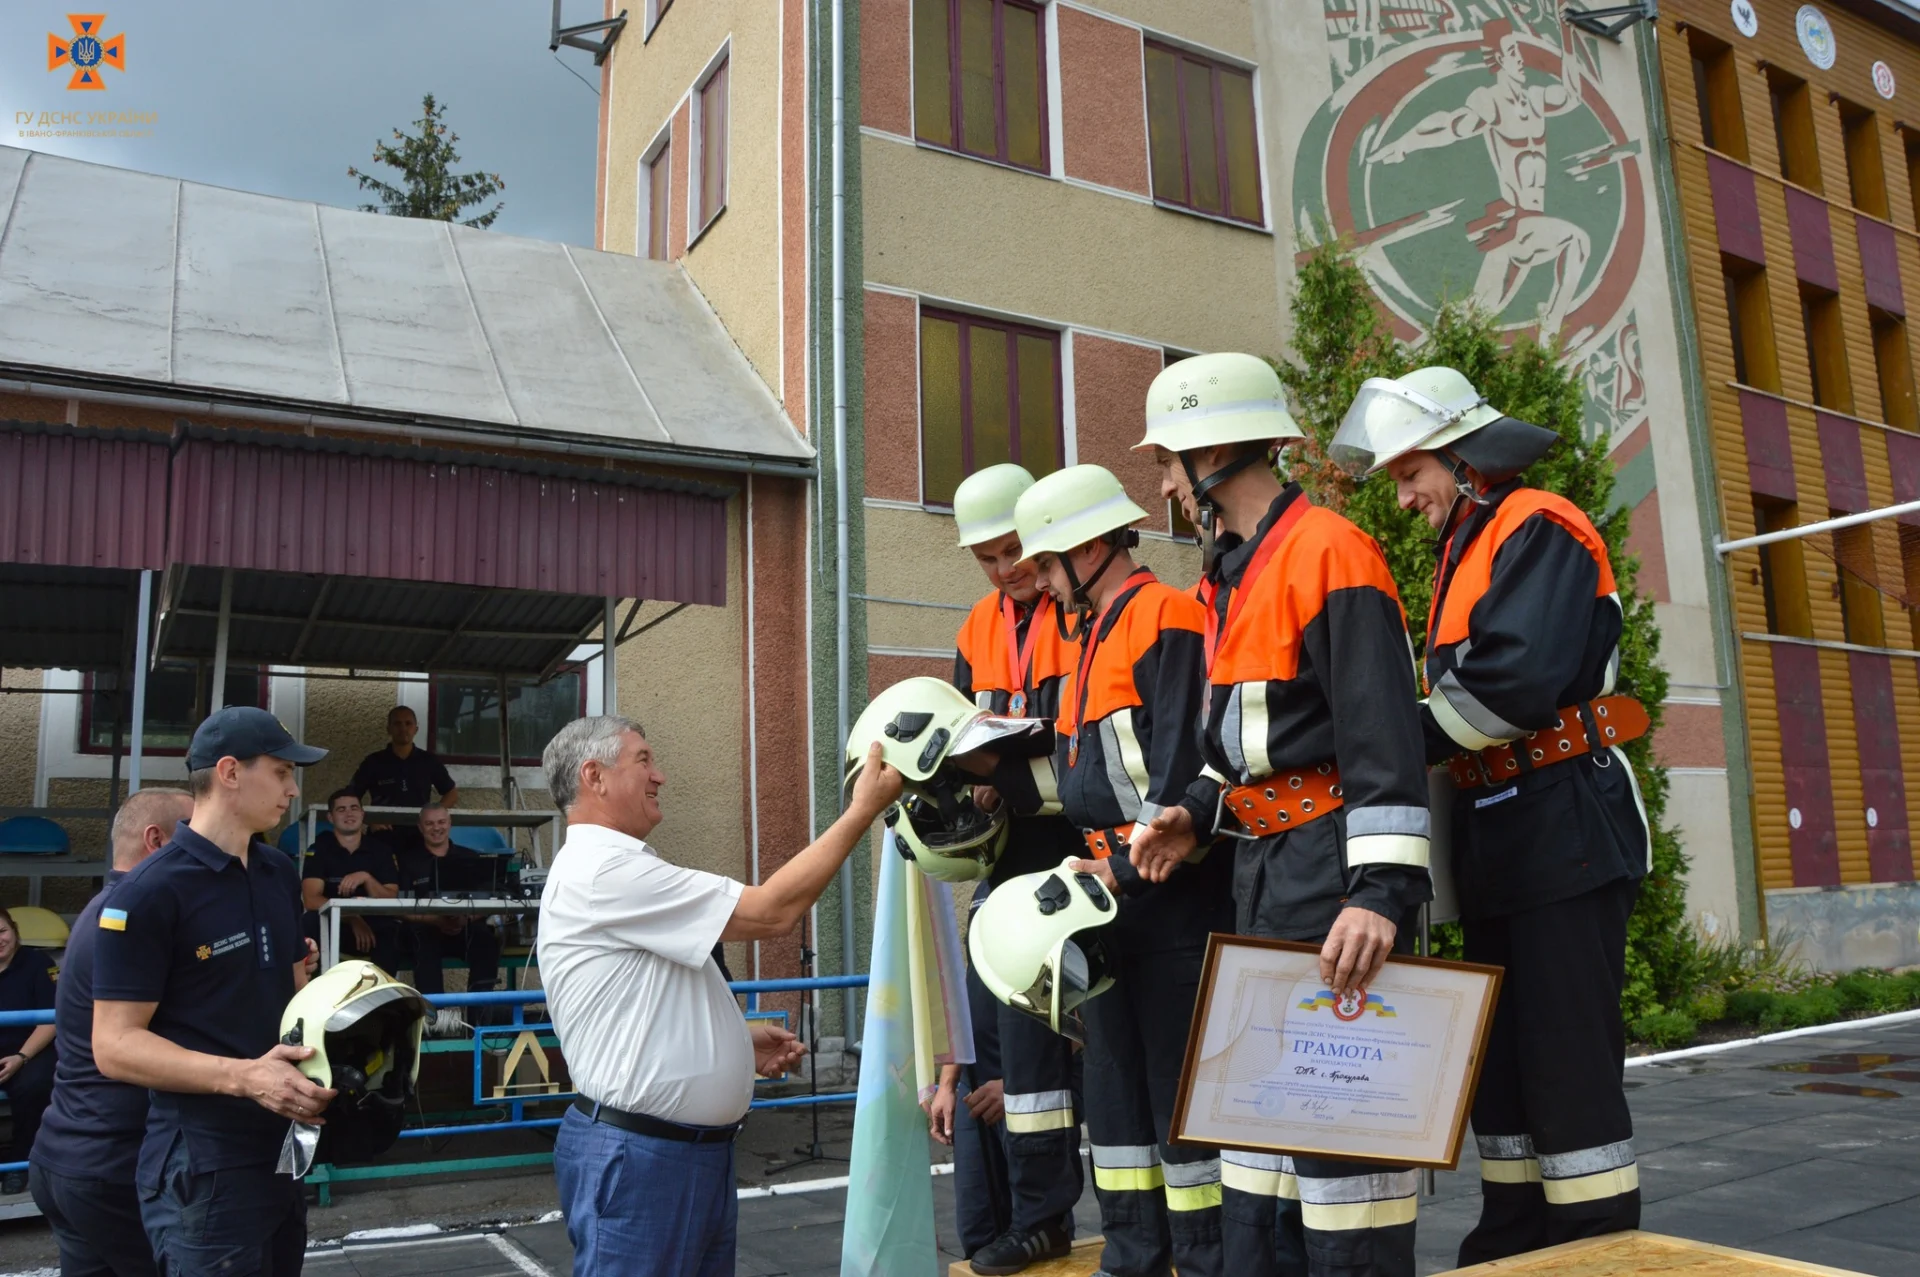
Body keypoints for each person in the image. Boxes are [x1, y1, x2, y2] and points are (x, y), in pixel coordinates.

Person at [1328, 366, 1649, 1264]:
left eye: (1409, 473)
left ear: (1465, 458)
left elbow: (1509, 682)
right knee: (1500, 1068)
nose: (1403, 497)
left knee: (1565, 1068)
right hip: (1503, 828)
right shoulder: (1468, 549)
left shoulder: (1536, 523)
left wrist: (1388, 745)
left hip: (1563, 821)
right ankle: (1513, 1238)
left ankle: (1591, 1247)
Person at [1131, 353, 1434, 1277]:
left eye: (1169, 461)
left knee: (1346, 1156)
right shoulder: (1230, 574)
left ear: (1214, 450)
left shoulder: (1329, 551)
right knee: (1262, 1150)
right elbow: (1246, 746)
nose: (1165, 482)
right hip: (1264, 873)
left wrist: (1379, 892)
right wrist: (1192, 814)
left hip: (1330, 878)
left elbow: (1384, 737)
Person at [964, 464, 1230, 1277]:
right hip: (1112, 888)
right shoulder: (1095, 629)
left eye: (1044, 562)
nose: (1036, 579)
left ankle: (1203, 1258)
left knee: (1177, 1099)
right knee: (1116, 1097)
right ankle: (1132, 1255)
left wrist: (1123, 857)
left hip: (1167, 891)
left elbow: (1188, 767)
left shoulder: (1164, 616)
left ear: (1087, 548)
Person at [538, 715, 902, 1277]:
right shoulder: (602, 869)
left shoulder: (619, 866)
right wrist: (861, 811)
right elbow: (771, 911)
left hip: (676, 1156)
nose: (659, 775)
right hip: (644, 1160)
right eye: (643, 761)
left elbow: (650, 998)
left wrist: (737, 1040)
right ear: (595, 776)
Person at [92, 706, 334, 1276]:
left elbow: (286, 991)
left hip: (280, 1149)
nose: (293, 789)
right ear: (229, 771)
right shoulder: (149, 893)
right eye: (280, 772)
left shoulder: (275, 870)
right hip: (201, 1167)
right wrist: (246, 1076)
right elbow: (114, 1045)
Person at [946, 463, 1085, 1274]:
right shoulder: (975, 626)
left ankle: (1045, 1217)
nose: (1006, 571)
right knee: (991, 1053)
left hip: (1067, 854)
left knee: (1036, 1058)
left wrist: (1005, 786)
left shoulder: (1081, 615)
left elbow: (1091, 758)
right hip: (1001, 865)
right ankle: (1006, 1218)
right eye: (988, 559)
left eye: (1015, 552)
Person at [30, 787, 193, 1277]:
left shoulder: (105, 908)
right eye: (193, 834)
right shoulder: (127, 918)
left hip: (69, 1156)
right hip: (110, 1164)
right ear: (156, 841)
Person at [395, 804, 501, 1000]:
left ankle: (480, 1018)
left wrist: (465, 920)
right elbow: (400, 908)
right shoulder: (409, 861)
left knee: (487, 942)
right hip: (426, 930)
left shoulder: (471, 857)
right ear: (420, 827)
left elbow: (488, 902)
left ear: (450, 823)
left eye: (441, 822)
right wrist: (436, 921)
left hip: (466, 928)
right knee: (421, 942)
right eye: (429, 823)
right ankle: (436, 1021)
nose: (436, 828)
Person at [300, 789, 402, 975]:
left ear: (362, 814)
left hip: (374, 927)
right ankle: (318, 994)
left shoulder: (380, 850)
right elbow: (311, 899)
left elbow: (391, 898)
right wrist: (351, 916)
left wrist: (366, 877)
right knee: (309, 921)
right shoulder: (319, 849)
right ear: (331, 817)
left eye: (354, 808)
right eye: (341, 809)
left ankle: (384, 998)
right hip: (334, 926)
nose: (349, 813)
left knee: (393, 928)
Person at [0, 907, 60, 1195]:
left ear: (14, 930)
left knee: (34, 1086)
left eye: (2, 931)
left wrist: (21, 1057)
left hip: (31, 1051)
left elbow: (52, 1020)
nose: (0, 940)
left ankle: (20, 1161)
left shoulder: (39, 963)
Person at [348, 706, 458, 825]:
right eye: (397, 724)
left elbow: (451, 793)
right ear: (388, 729)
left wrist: (433, 817)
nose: (403, 728)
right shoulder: (373, 762)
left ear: (416, 729)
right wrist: (370, 819)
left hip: (419, 833)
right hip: (382, 835)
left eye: (408, 723)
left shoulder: (429, 761)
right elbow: (350, 797)